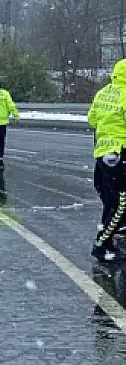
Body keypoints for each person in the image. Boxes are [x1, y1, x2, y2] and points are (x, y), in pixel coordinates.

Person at [89, 59, 126, 262]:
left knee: (110, 198)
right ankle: (101, 244)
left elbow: (92, 119)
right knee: (120, 202)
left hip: (103, 152)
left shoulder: (103, 92)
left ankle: (110, 237)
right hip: (120, 152)